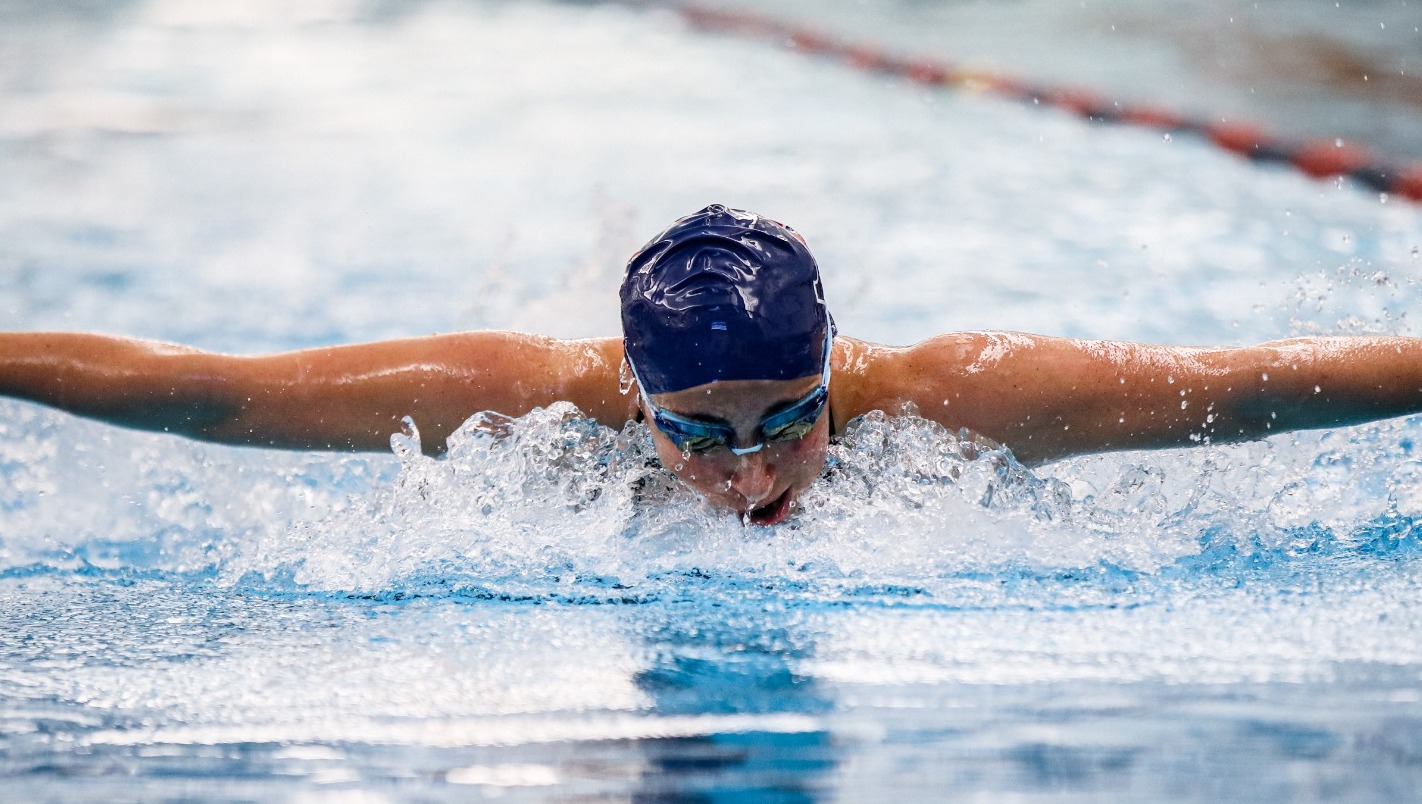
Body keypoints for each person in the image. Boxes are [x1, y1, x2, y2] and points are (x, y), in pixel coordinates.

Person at [3, 204, 1421, 525]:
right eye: (694, 435)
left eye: (792, 423)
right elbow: (204, 385)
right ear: (631, 392)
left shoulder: (963, 393)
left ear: (833, 370)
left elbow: (1254, 385)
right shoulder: (517, 397)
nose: (747, 475)